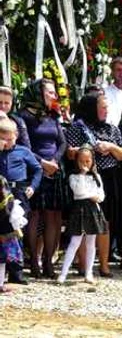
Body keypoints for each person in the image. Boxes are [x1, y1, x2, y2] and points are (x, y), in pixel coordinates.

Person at [65, 94, 122, 278]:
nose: (106, 111)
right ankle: (84, 265)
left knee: (104, 222)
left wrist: (110, 147)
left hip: (108, 177)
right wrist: (90, 149)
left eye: (107, 107)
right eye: (102, 107)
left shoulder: (112, 129)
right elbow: (70, 153)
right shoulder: (79, 127)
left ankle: (104, 264)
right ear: (92, 108)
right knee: (84, 222)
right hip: (86, 176)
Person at [19, 79, 67, 279]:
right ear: (38, 93)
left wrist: (54, 161)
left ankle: (48, 261)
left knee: (53, 216)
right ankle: (34, 263)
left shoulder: (53, 115)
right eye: (49, 92)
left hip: (55, 170)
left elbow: (62, 142)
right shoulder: (23, 117)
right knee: (35, 215)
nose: (54, 96)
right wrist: (43, 163)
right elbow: (25, 145)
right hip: (34, 170)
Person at [57, 145, 107, 284]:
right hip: (80, 210)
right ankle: (63, 273)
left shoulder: (96, 176)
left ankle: (89, 272)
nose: (85, 164)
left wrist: (93, 196)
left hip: (93, 210)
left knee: (91, 242)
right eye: (82, 161)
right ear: (77, 161)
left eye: (88, 161)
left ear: (92, 161)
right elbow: (78, 192)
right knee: (75, 242)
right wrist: (91, 193)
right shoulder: (74, 176)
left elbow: (101, 195)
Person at [0, 119, 40, 285]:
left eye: (11, 139)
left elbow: (37, 169)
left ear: (16, 136)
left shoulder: (24, 151)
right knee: (2, 231)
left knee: (18, 231)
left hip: (19, 191)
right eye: (4, 139)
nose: (8, 143)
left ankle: (16, 274)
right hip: (2, 192)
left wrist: (33, 186)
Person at [0, 176, 28, 293]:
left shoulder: (2, 184)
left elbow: (8, 208)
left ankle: (0, 283)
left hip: (2, 228)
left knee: (1, 260)